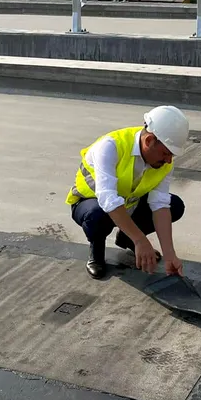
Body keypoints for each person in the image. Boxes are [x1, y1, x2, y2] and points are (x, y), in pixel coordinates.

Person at [66, 106, 189, 280]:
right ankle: (97, 252)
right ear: (149, 141)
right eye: (166, 153)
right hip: (90, 203)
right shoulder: (110, 146)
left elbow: (160, 205)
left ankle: (127, 238)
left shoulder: (164, 162)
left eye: (172, 155)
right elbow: (108, 199)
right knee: (97, 214)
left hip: (128, 204)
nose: (169, 160)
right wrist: (141, 240)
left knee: (174, 205)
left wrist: (170, 255)